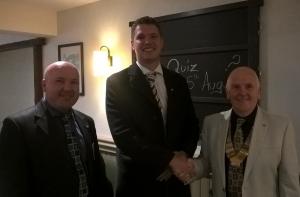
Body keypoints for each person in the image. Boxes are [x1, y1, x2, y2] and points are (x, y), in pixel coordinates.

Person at [105, 16, 199, 197]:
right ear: (132, 44)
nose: (147, 41)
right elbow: (124, 136)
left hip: (176, 183)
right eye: (140, 37)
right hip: (137, 185)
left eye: (153, 36)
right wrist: (169, 160)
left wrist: (181, 156)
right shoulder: (116, 83)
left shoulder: (178, 82)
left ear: (162, 42)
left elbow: (192, 125)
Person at [180, 66, 300, 197]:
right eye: (236, 87)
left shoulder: (281, 127)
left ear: (259, 92)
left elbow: (289, 183)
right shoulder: (212, 123)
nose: (242, 92)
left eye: (249, 86)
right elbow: (207, 163)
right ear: (227, 93)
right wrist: (191, 167)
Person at [0, 61, 113, 197]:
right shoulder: (17, 126)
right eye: (60, 81)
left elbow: (98, 173)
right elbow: (12, 186)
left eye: (74, 82)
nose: (68, 88)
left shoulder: (86, 122)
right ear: (44, 85)